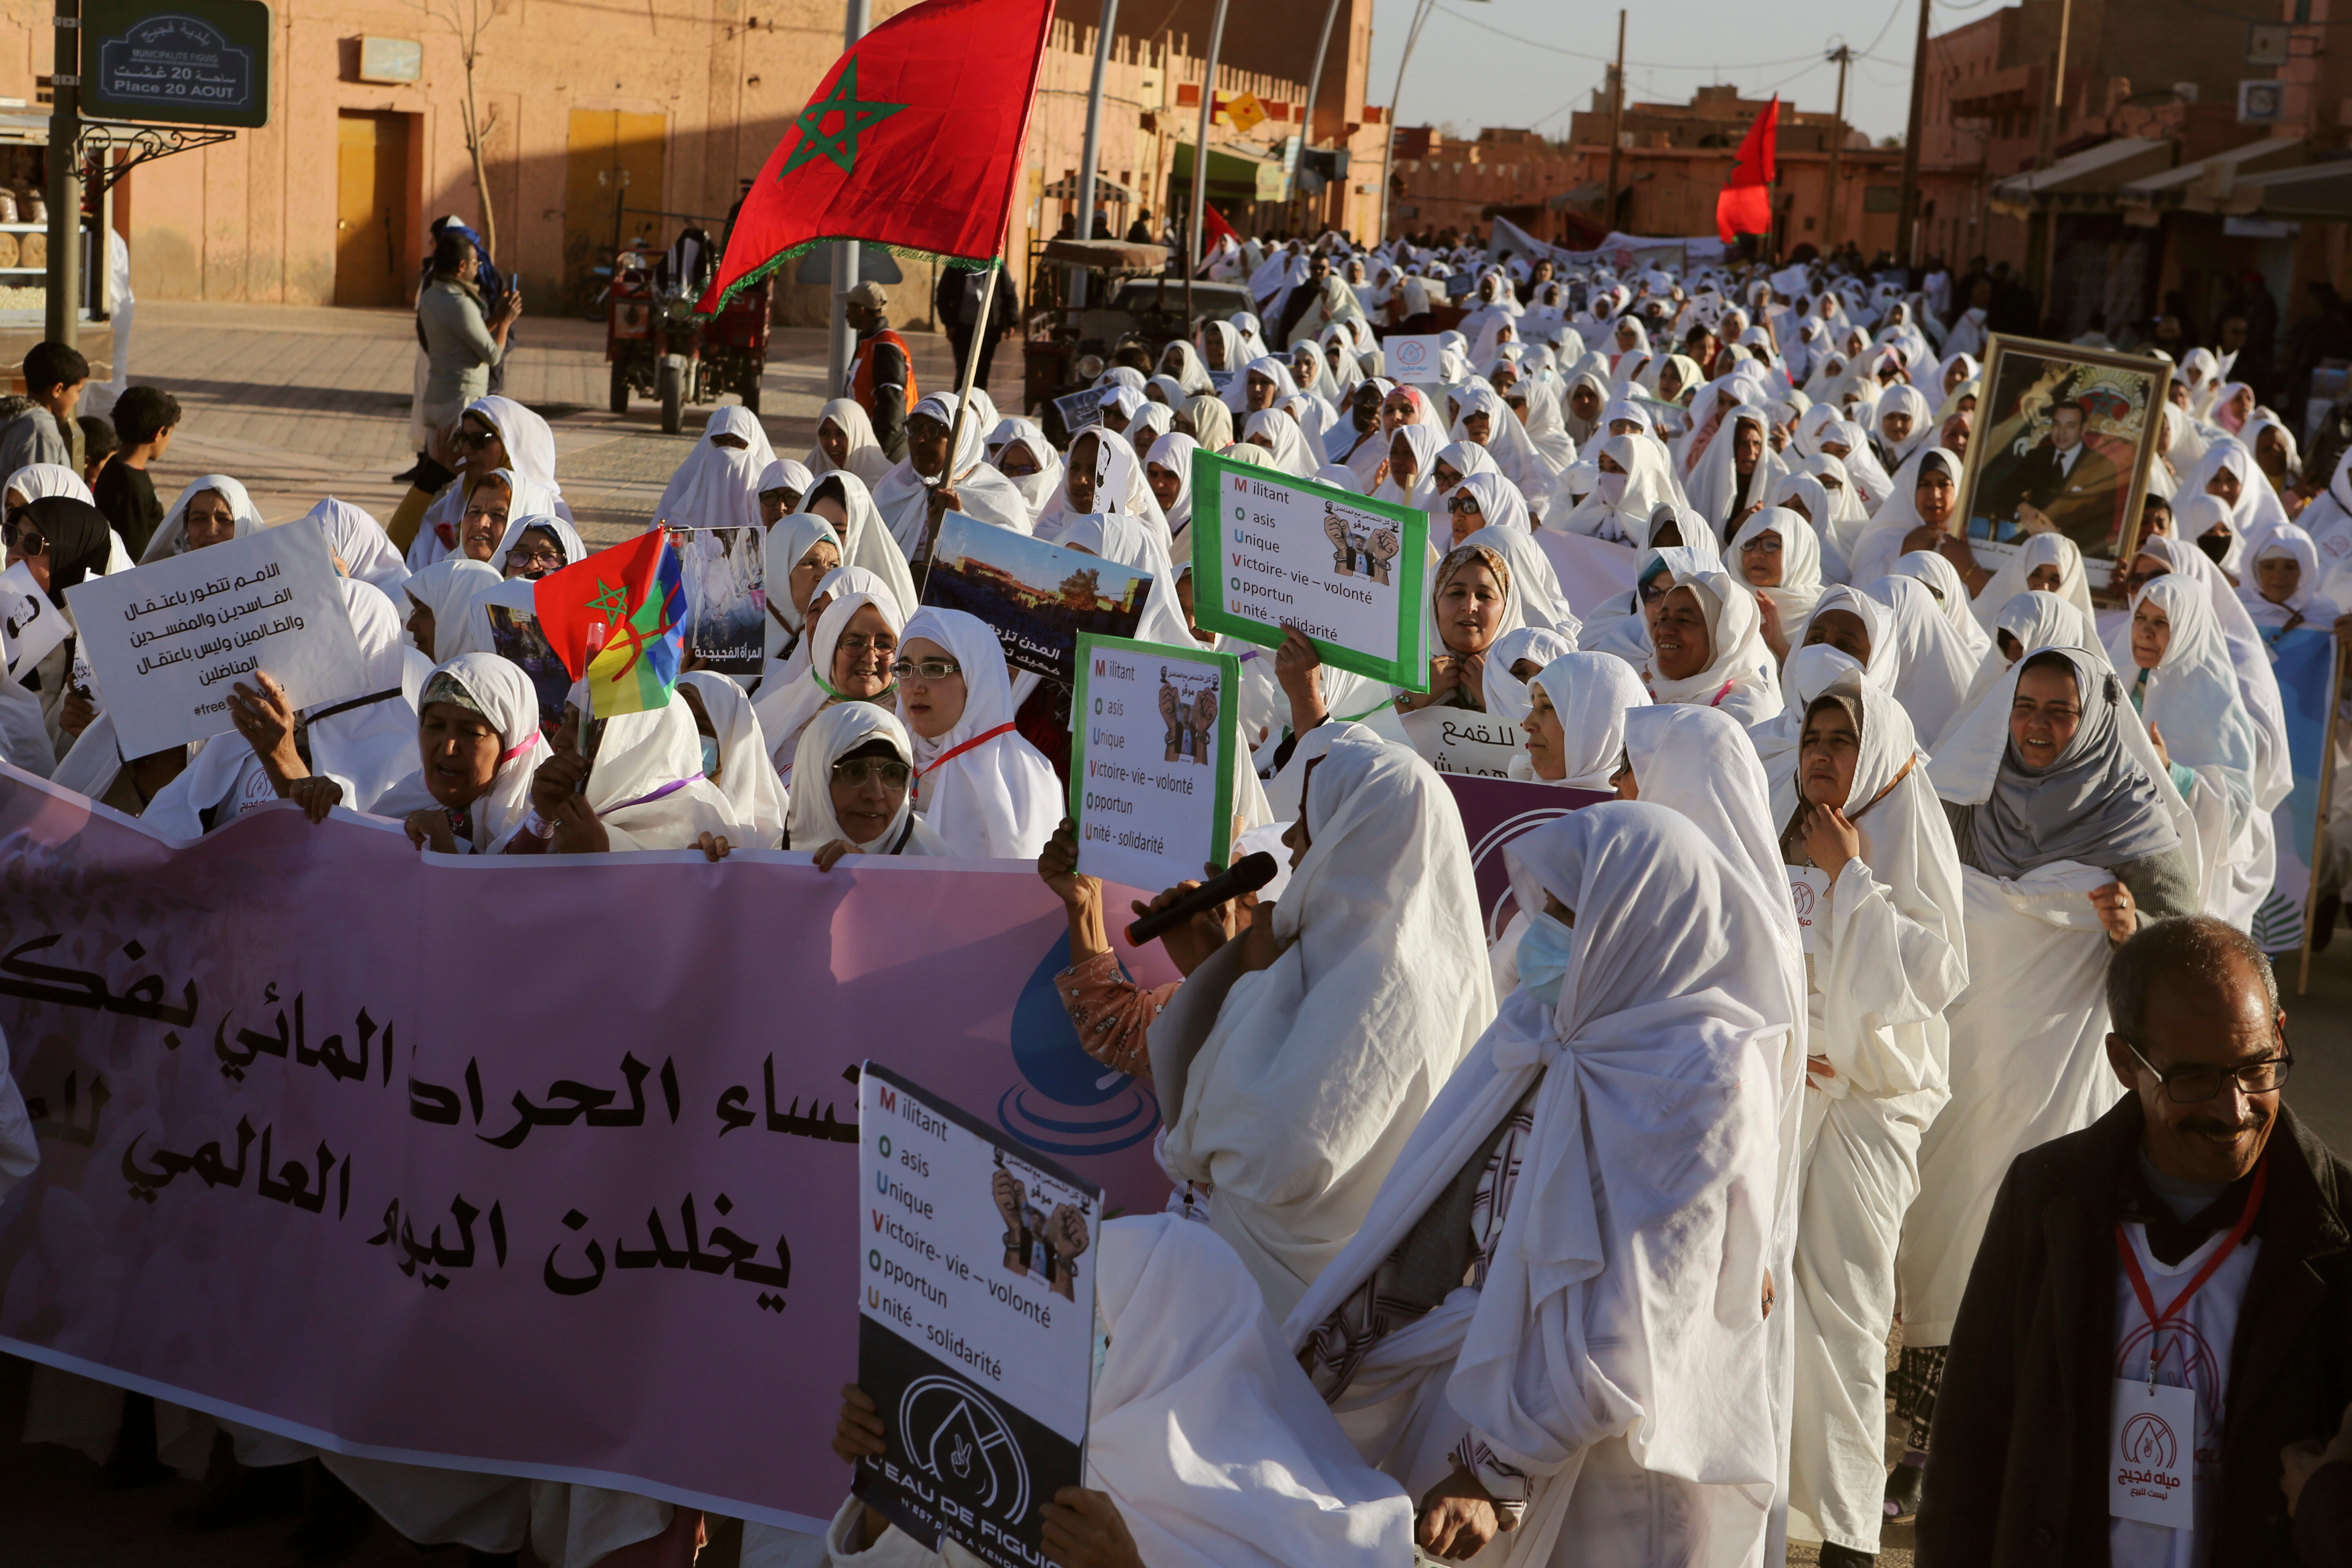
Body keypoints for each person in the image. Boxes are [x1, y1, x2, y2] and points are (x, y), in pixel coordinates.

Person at [1287, 804, 1789, 1566]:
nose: (1543, 934)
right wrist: (1333, 1346)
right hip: (1472, 1399)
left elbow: (1649, 1308)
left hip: (1602, 1469)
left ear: (1637, 922)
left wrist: (1500, 1469)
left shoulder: (1708, 1081)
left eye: (1565, 912)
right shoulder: (1540, 1021)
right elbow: (1431, 1204)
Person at [1919, 915, 2352, 1567]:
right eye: (2196, 1079)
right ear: (2126, 1063)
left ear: (2279, 1034)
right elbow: (1970, 1449)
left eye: (2257, 1068)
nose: (2233, 1111)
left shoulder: (2338, 1231)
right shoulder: (2046, 1200)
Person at [1895, 647, 2201, 1501]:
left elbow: (2184, 961)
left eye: (2059, 712)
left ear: (2095, 717)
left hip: (2063, 1082)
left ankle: (2016, 1450)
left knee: (2035, 1238)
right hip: (1967, 1066)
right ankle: (1929, 1438)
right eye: (2023, 706)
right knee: (1946, 1235)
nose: (2036, 727)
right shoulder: (1967, 798)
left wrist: (2130, 930)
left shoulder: (2138, 821)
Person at [813, 1216, 1415, 1568]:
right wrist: (891, 1479)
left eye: (1094, 1332)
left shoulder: (1334, 1537)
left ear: (1175, 1348)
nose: (1057, 1358)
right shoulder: (1033, 1471)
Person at [1152, 731, 1491, 1319]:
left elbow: (1281, 1153)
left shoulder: (1389, 983)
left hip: (1311, 1313)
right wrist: (1227, 966)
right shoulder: (1360, 955)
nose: (1286, 839)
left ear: (1352, 836)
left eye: (1308, 821)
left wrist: (1254, 980)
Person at [1773, 673, 1967, 1568]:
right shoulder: (1779, 825)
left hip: (1870, 1115)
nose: (1821, 753)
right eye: (1813, 736)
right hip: (1783, 1102)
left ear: (1879, 754)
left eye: (1842, 740)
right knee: (1765, 1311)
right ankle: (1764, 1511)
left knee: (1847, 1323)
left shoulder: (1903, 834)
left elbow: (1934, 978)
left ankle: (1848, 1535)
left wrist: (1850, 875)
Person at [894, 607, 1060, 860]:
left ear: (976, 674)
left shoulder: (1023, 777)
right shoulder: (884, 754)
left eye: (935, 669)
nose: (916, 686)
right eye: (905, 669)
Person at [418, 229, 521, 444]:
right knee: (460, 473)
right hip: (460, 401)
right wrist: (505, 323)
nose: (477, 270)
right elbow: (493, 356)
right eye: (476, 264)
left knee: (438, 470)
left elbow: (464, 333)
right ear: (462, 266)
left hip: (435, 398)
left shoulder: (430, 297)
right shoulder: (461, 304)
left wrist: (495, 318)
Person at [1984, 399, 2122, 550]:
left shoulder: (2101, 466)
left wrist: (2059, 536)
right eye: (2057, 424)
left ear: (2083, 429)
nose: (2061, 433)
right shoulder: (2037, 457)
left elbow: (2103, 523)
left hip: (2079, 549)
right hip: (2034, 541)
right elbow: (2002, 490)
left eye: (2070, 426)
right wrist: (2022, 507)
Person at [94, 384, 178, 557]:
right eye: (170, 433)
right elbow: (135, 553)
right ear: (159, 433)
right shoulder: (131, 487)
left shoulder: (116, 467)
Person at [840, 280, 915, 462]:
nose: (846, 313)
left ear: (862, 310)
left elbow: (892, 402)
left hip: (886, 448)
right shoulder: (871, 342)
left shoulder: (885, 346)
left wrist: (880, 453)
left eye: (849, 307)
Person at [0, 340, 88, 477]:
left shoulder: (14, 419)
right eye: (78, 391)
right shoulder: (40, 430)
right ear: (58, 389)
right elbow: (41, 492)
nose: (78, 399)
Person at [934, 264, 1019, 391]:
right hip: (962, 329)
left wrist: (1011, 323)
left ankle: (977, 404)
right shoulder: (957, 266)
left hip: (988, 330)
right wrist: (949, 324)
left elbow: (1009, 295)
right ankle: (960, 404)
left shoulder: (997, 266)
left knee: (982, 371)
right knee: (964, 370)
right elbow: (943, 296)